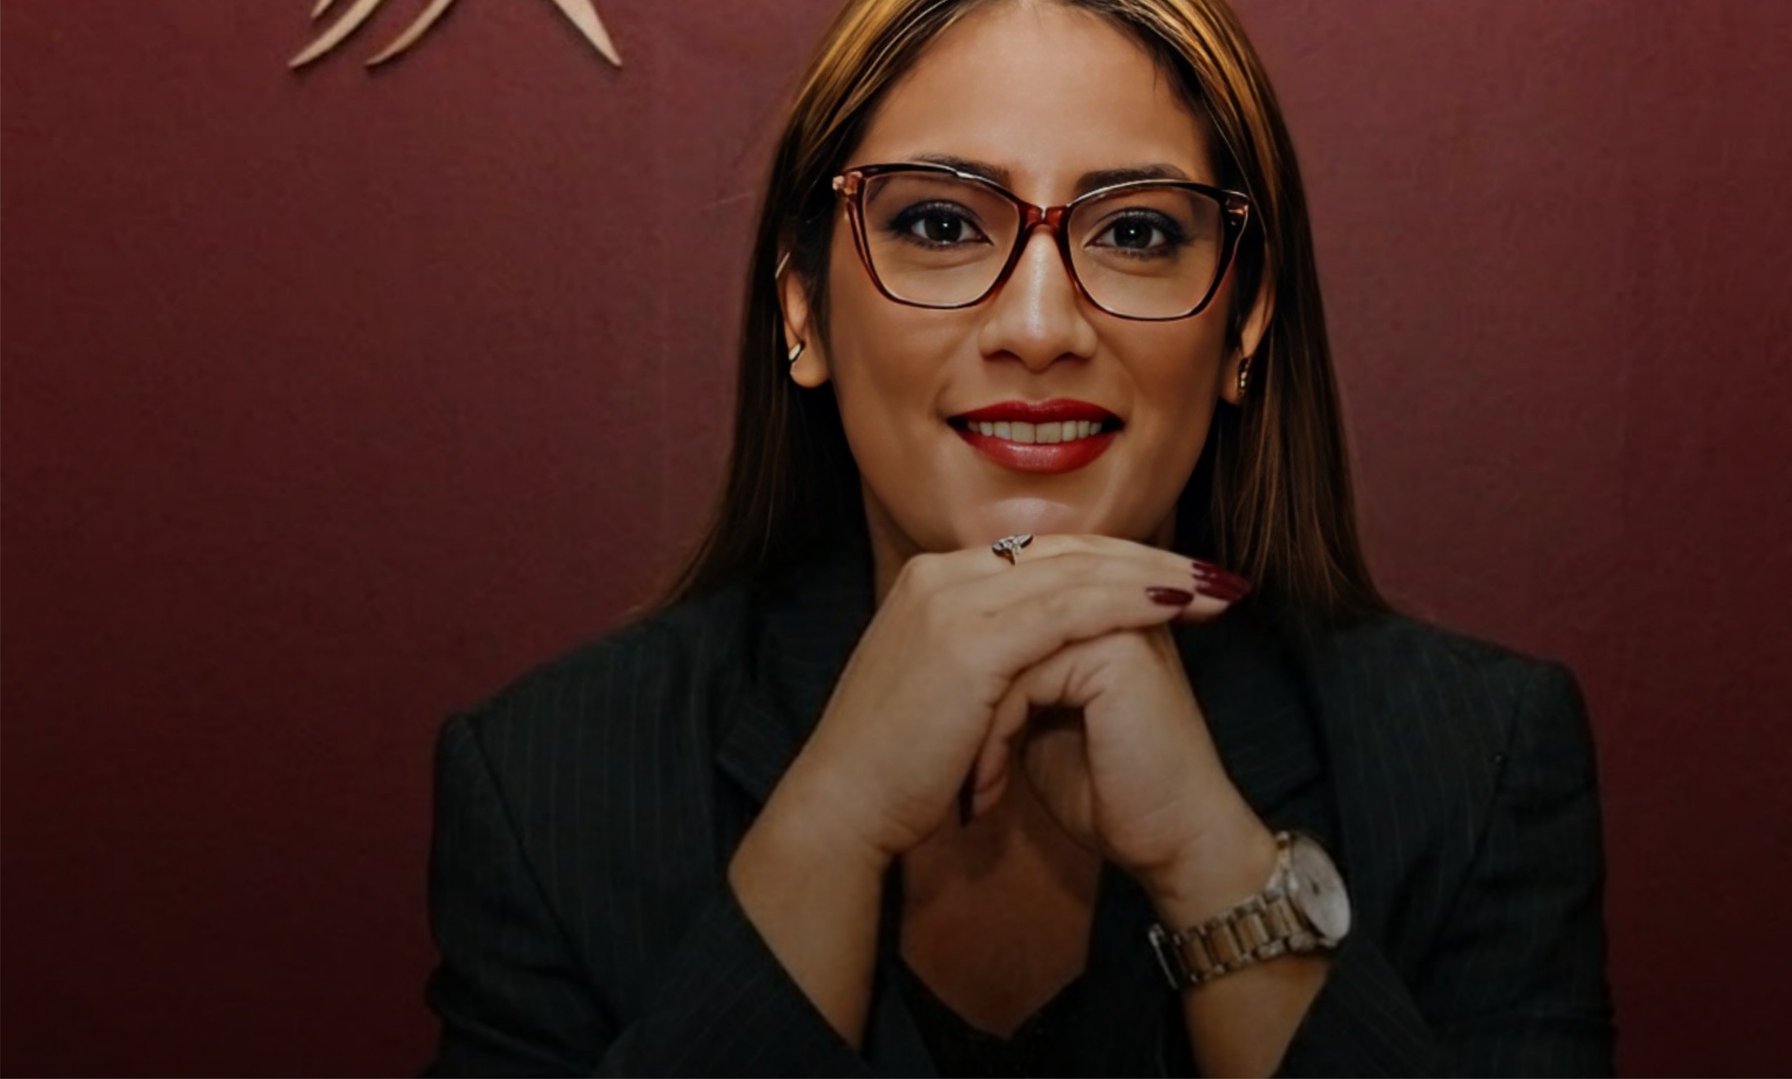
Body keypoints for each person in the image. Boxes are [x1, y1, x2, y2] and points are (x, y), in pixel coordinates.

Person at [419, 0, 1615, 1075]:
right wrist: (829, 826)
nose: (1039, 325)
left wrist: (1215, 863)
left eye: (1138, 232)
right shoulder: (546, 783)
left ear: (1245, 320)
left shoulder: (1481, 763)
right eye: (940, 222)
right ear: (802, 304)